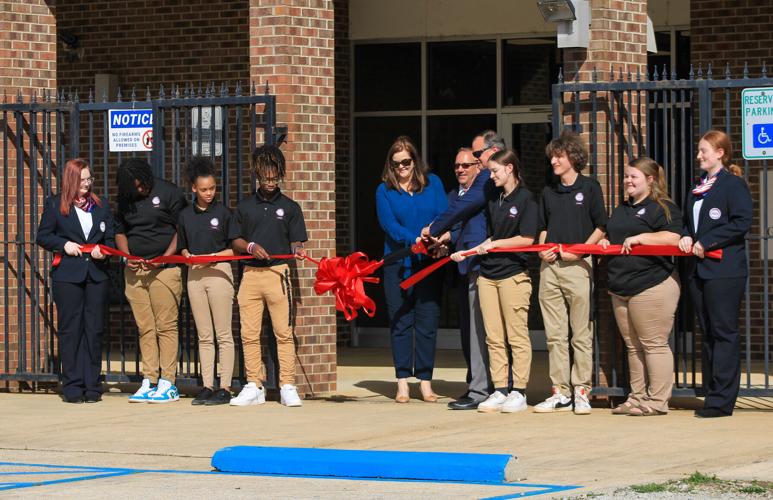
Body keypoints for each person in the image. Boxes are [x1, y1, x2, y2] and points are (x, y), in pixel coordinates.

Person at [420, 131, 506, 410]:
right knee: (475, 330)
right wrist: (444, 237)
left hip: (483, 263)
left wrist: (434, 228)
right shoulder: (484, 180)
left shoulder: (485, 181)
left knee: (483, 331)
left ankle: (482, 390)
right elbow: (462, 215)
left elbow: (464, 208)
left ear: (492, 152)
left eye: (478, 155)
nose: (477, 161)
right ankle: (480, 386)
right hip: (469, 262)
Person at [451, 149, 537, 413]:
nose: (492, 176)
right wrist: (466, 249)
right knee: (494, 336)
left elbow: (527, 239)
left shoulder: (526, 200)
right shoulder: (494, 199)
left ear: (509, 169)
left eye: (495, 171)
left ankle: (519, 391)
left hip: (513, 274)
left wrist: (497, 244)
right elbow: (488, 235)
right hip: (488, 274)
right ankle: (499, 389)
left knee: (516, 336)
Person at [599, 157, 682, 416]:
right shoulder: (623, 208)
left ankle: (658, 401)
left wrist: (641, 238)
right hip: (620, 287)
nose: (627, 181)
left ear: (650, 180)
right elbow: (613, 234)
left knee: (654, 343)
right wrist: (604, 241)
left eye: (633, 176)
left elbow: (673, 237)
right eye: (626, 176)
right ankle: (637, 397)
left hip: (651, 284)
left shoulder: (662, 207)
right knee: (633, 346)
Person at [678, 130, 752, 418]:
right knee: (707, 332)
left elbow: (742, 221)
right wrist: (686, 237)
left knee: (723, 332)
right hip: (699, 269)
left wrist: (707, 242)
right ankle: (712, 392)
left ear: (720, 153)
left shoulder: (732, 185)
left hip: (725, 271)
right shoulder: (698, 187)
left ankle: (722, 400)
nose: (699, 156)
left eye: (703, 151)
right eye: (698, 151)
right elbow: (688, 224)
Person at [535, 131, 607, 415]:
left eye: (559, 156)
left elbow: (601, 225)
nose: (554, 160)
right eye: (552, 156)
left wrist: (581, 251)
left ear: (573, 158)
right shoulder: (547, 191)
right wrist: (542, 249)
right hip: (549, 267)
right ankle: (560, 391)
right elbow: (542, 226)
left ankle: (581, 390)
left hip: (578, 266)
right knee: (554, 335)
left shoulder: (590, 187)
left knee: (580, 332)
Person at [230, 145, 307, 407]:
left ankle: (287, 384)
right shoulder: (245, 206)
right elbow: (235, 239)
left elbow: (296, 240)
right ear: (257, 175)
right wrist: (250, 246)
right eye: (266, 178)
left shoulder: (290, 207)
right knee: (249, 333)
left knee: (283, 332)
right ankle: (254, 384)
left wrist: (297, 250)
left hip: (278, 273)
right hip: (251, 273)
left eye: (275, 177)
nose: (271, 182)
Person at [376, 135, 447, 403]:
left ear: (415, 161)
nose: (401, 168)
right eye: (396, 164)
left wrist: (435, 239)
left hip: (428, 262)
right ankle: (403, 381)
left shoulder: (434, 184)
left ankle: (426, 382)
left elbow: (443, 214)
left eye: (406, 162)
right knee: (401, 323)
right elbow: (389, 225)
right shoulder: (384, 190)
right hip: (398, 263)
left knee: (427, 322)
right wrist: (414, 239)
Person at [36, 159, 114, 404]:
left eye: (89, 179)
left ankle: (92, 385)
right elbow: (43, 236)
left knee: (94, 330)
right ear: (71, 180)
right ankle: (72, 385)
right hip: (68, 276)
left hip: (96, 275)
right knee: (71, 330)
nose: (87, 184)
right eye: (82, 180)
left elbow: (110, 238)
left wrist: (104, 250)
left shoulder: (101, 206)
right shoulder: (55, 205)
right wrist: (64, 245)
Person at [116, 158, 187, 403]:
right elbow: (119, 230)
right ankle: (150, 379)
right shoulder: (125, 198)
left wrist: (165, 258)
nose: (139, 191)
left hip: (164, 269)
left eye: (141, 186)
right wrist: (127, 257)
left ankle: (168, 382)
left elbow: (182, 228)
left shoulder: (169, 192)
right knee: (145, 327)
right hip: (135, 270)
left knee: (165, 325)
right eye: (134, 188)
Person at [177, 156, 237, 406]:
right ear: (193, 188)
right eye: (203, 189)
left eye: (212, 188)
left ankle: (224, 386)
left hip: (218, 272)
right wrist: (187, 255)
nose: (209, 193)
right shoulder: (185, 215)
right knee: (204, 335)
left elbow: (233, 250)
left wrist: (212, 257)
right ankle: (207, 384)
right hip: (195, 275)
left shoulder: (223, 213)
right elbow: (182, 247)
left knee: (223, 333)